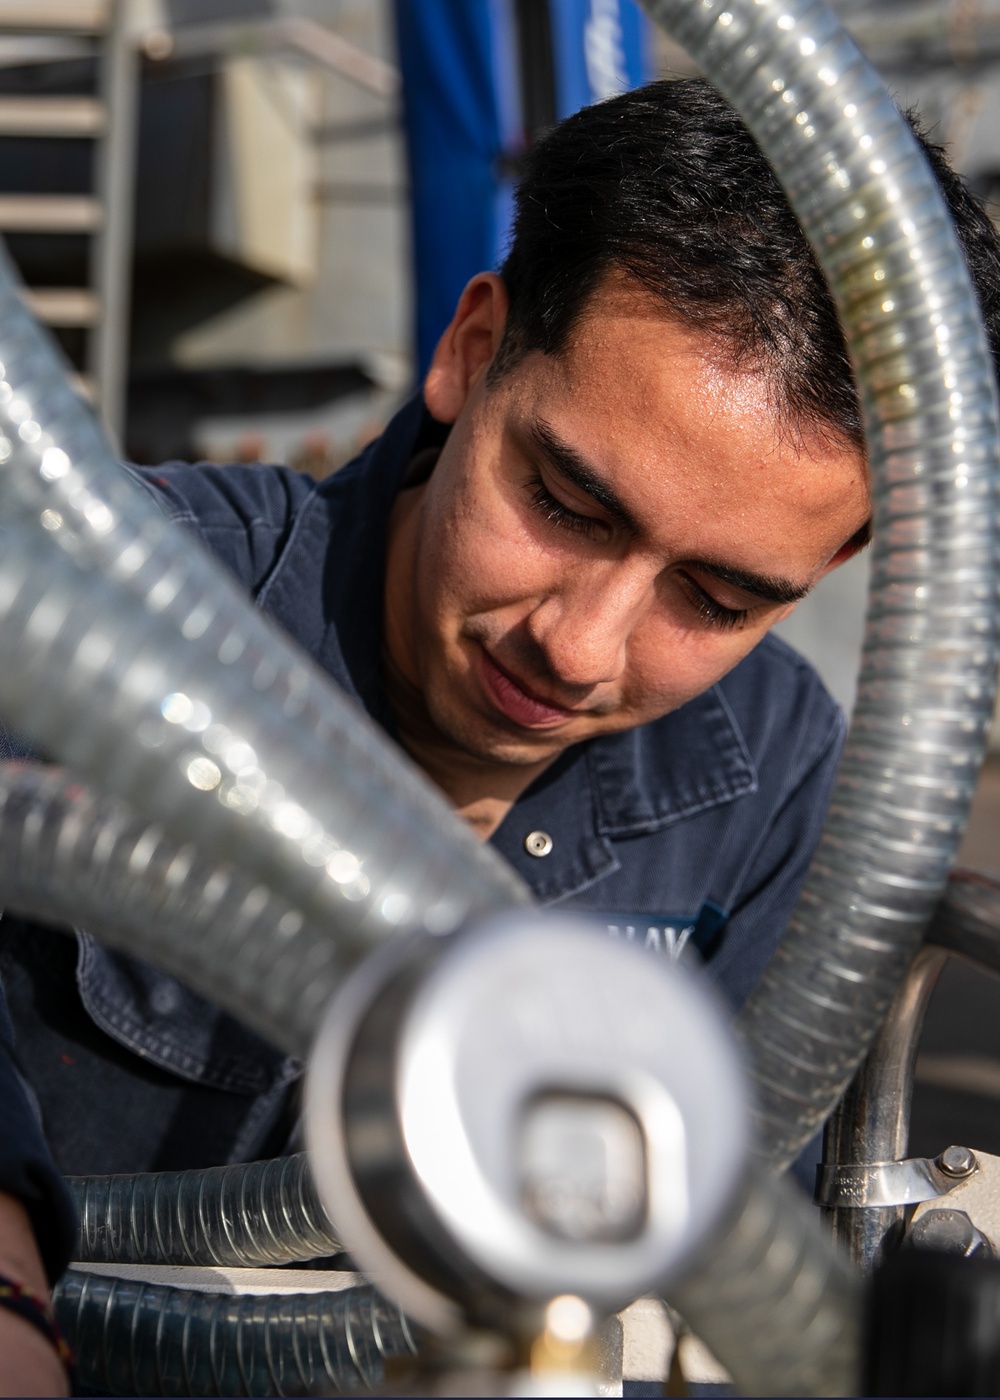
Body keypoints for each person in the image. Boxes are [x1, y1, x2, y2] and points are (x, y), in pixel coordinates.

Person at [2, 78, 1000, 1394]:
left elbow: (729, 1258)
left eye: (718, 597)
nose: (582, 645)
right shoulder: (86, 620)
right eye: (568, 503)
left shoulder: (770, 780)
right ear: (473, 348)